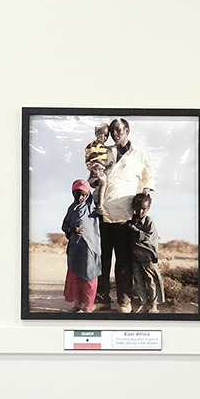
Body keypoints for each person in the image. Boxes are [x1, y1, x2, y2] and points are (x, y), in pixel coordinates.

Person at [96, 118, 157, 313]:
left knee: (123, 263)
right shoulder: (107, 152)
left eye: (119, 130)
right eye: (113, 130)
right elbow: (95, 174)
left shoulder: (138, 154)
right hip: (104, 213)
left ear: (127, 130)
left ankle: (124, 301)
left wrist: (146, 190)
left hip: (126, 217)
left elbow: (150, 174)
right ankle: (102, 299)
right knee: (102, 261)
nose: (115, 133)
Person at [62, 178, 102, 312]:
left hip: (90, 249)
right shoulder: (71, 208)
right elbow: (65, 226)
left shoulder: (93, 207)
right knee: (76, 277)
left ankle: (88, 306)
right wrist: (72, 229)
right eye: (77, 194)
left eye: (83, 195)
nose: (80, 197)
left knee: (90, 277)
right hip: (75, 249)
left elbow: (101, 187)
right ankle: (78, 303)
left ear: (88, 194)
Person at [124, 192, 164, 313]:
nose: (140, 212)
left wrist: (136, 231)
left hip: (148, 257)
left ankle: (154, 305)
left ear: (148, 208)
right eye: (137, 209)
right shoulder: (131, 220)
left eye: (144, 209)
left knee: (152, 280)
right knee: (138, 279)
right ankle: (143, 303)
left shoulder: (149, 222)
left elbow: (149, 239)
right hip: (135, 256)